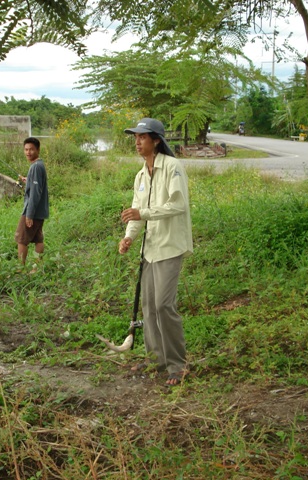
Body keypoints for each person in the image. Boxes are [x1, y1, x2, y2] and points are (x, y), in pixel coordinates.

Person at [119, 118, 193, 387]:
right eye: (135, 137)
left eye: (142, 137)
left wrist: (144, 213)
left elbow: (178, 205)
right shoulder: (141, 175)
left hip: (170, 246)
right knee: (148, 307)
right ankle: (155, 358)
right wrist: (128, 237)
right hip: (149, 248)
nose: (137, 142)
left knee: (163, 305)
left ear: (156, 140)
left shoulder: (172, 167)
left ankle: (177, 364)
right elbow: (136, 213)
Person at [15, 137, 49, 271]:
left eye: (31, 149)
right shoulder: (39, 165)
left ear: (38, 150)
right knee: (38, 239)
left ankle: (20, 269)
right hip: (40, 211)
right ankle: (36, 268)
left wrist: (29, 214)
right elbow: (36, 185)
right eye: (26, 149)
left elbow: (35, 193)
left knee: (21, 239)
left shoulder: (35, 167)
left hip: (33, 211)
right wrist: (28, 180)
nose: (28, 152)